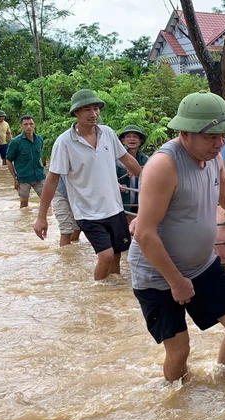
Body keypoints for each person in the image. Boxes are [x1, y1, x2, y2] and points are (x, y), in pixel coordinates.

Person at [127, 91, 225, 382]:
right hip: (158, 275)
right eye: (211, 136)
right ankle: (178, 408)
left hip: (202, 266)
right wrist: (176, 282)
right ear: (185, 133)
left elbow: (224, 192)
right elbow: (145, 234)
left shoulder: (214, 156)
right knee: (180, 351)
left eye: (223, 135)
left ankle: (224, 386)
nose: (220, 143)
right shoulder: (164, 166)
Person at [33, 89, 142, 280]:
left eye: (96, 109)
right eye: (87, 110)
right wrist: (41, 217)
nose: (93, 114)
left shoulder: (107, 133)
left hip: (114, 208)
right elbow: (52, 179)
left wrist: (150, 182)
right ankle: (96, 291)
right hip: (87, 212)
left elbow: (127, 159)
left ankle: (107, 301)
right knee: (106, 256)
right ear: (75, 112)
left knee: (117, 256)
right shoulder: (64, 143)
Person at [6, 115, 45, 208]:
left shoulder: (39, 139)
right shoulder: (16, 142)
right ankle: (24, 221)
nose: (29, 127)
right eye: (26, 124)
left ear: (34, 125)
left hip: (39, 176)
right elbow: (8, 160)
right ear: (21, 126)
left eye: (31, 124)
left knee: (46, 201)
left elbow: (39, 156)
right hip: (23, 178)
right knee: (24, 204)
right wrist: (15, 179)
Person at [116, 125, 150, 222]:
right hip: (120, 203)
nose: (131, 139)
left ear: (140, 141)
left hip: (138, 203)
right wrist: (118, 184)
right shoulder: (114, 158)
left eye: (135, 137)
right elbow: (107, 176)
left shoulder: (145, 160)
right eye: (128, 136)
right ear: (122, 141)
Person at [53, 175, 81, 246]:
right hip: (60, 190)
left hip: (79, 192)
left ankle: (74, 253)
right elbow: (52, 178)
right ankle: (65, 255)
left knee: (77, 229)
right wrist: (42, 216)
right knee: (66, 231)